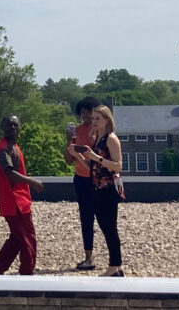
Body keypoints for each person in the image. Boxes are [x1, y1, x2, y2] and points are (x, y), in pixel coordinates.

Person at [0, 114, 44, 276]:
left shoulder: (14, 147)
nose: (12, 128)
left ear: (19, 128)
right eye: (9, 125)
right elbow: (10, 173)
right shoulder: (3, 149)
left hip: (21, 199)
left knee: (16, 239)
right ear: (2, 127)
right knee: (27, 239)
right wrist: (33, 182)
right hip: (13, 201)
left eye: (15, 125)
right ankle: (27, 273)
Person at [71, 105, 125, 277]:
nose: (93, 121)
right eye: (92, 118)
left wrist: (96, 157)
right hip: (96, 187)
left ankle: (115, 266)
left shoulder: (111, 139)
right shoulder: (96, 138)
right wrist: (79, 156)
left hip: (108, 188)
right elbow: (92, 167)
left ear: (107, 120)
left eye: (97, 119)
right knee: (104, 227)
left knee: (110, 228)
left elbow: (117, 166)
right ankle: (115, 267)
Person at [63, 96, 102, 271]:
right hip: (81, 178)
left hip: (100, 178)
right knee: (86, 218)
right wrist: (68, 141)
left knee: (104, 218)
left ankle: (114, 259)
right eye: (83, 115)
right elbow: (68, 161)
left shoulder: (101, 132)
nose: (86, 118)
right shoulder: (77, 132)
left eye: (89, 115)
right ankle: (88, 256)